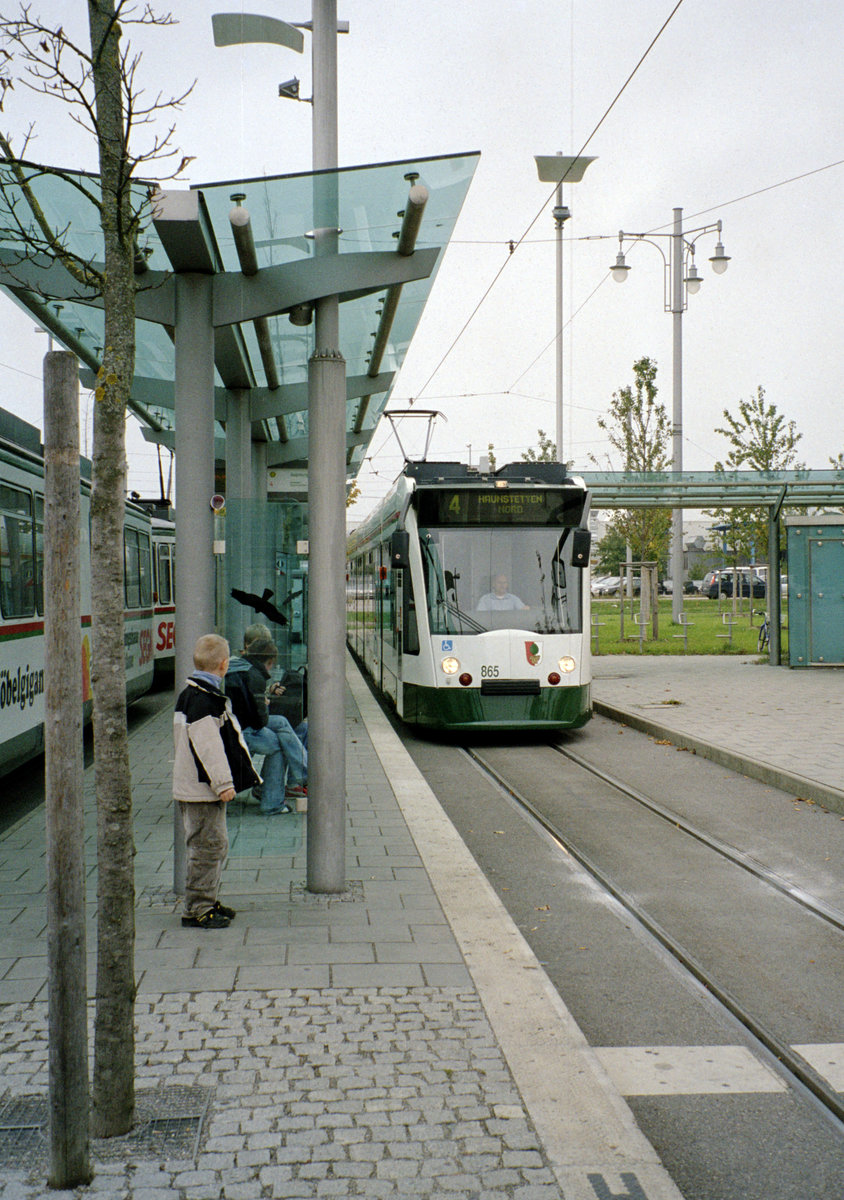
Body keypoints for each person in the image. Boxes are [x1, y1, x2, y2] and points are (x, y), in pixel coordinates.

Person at [173, 634, 259, 930]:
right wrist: (224, 784)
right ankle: (197, 908)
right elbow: (209, 748)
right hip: (202, 790)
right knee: (207, 847)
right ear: (224, 665)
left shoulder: (191, 694)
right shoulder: (203, 701)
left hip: (197, 787)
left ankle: (207, 898)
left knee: (212, 845)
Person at [225, 636, 308, 814]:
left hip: (233, 725)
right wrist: (264, 703)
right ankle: (274, 801)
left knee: (284, 725)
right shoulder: (255, 677)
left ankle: (294, 779)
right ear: (268, 661)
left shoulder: (239, 666)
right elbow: (259, 721)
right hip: (241, 730)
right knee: (279, 741)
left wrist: (263, 700)